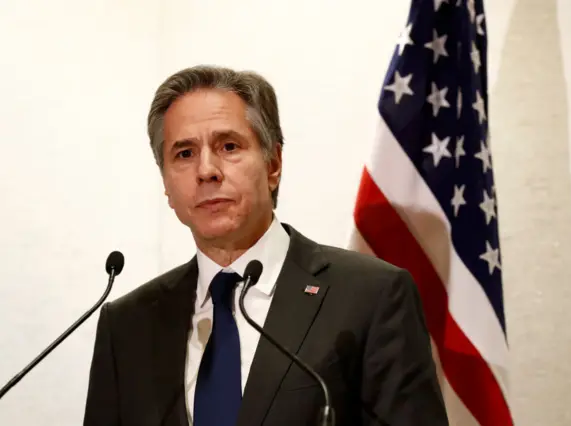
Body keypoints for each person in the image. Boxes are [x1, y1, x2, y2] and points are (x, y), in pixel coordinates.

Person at [83, 65, 448, 426]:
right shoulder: (127, 326)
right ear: (166, 183)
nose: (206, 170)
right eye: (184, 154)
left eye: (228, 146)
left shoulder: (371, 297)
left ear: (273, 163)